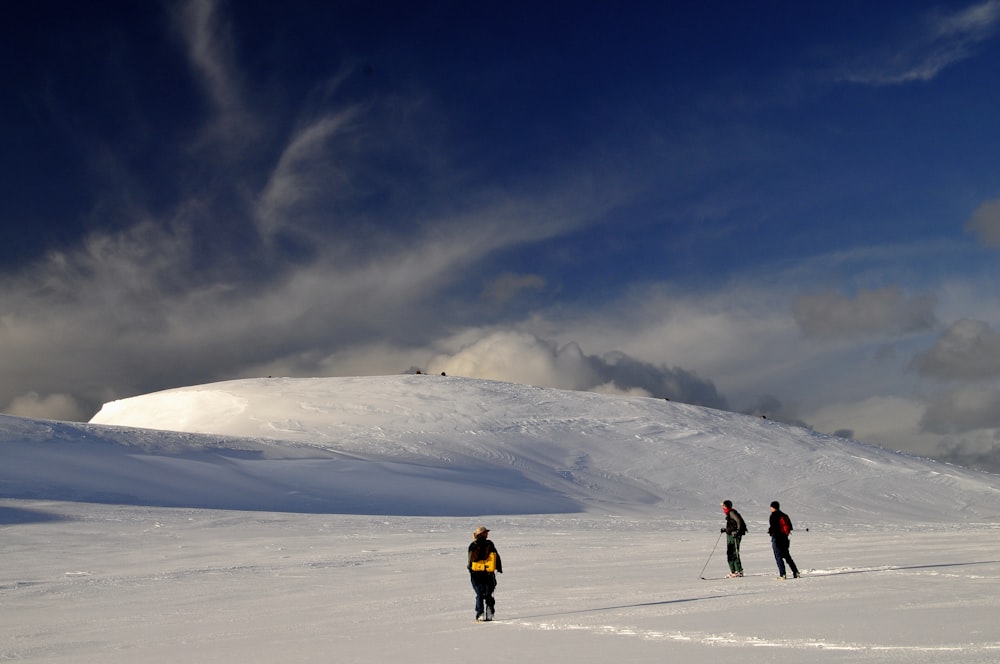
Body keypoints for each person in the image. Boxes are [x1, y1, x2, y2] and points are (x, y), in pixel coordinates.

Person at [467, 525, 503, 622]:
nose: (487, 534)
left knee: (479, 594)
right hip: (488, 574)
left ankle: (480, 614)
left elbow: (470, 561)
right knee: (488, 594)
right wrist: (499, 568)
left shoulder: (472, 545)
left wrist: (471, 570)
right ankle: (490, 613)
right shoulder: (489, 544)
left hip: (476, 574)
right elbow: (496, 557)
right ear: (482, 534)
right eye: (486, 532)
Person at [768, 501, 800, 580]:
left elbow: (774, 527)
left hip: (777, 538)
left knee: (778, 556)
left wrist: (770, 531)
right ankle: (796, 572)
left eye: (771, 507)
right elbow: (790, 527)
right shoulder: (784, 515)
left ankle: (782, 574)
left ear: (773, 507)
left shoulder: (774, 516)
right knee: (787, 556)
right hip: (785, 538)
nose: (770, 508)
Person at [720, 500, 746, 577]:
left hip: (734, 536)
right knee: (730, 553)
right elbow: (732, 525)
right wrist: (726, 530)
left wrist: (737, 531)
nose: (722, 507)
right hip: (730, 535)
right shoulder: (729, 513)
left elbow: (739, 521)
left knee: (734, 552)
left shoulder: (731, 513)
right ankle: (733, 571)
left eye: (723, 506)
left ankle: (739, 571)